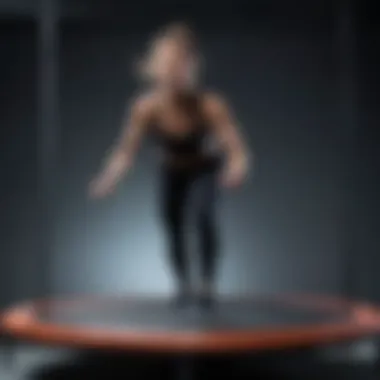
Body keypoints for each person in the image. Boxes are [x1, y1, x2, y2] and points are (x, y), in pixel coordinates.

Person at [89, 22, 250, 308]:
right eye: (171, 65)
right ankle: (183, 283)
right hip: (172, 172)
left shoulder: (210, 105)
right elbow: (126, 151)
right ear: (157, 68)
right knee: (173, 225)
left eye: (183, 65)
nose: (177, 73)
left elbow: (235, 146)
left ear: (192, 67)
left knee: (203, 218)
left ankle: (207, 283)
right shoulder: (146, 108)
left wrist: (236, 167)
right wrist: (109, 178)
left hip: (203, 170)